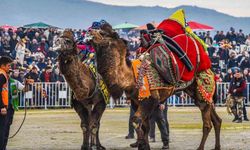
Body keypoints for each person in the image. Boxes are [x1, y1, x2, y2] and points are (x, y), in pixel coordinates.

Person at [3, 77, 30, 150]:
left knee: (7, 127)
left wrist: (26, 84)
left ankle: (3, 146)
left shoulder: (14, 82)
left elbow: (25, 89)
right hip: (2, 107)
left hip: (10, 108)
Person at [0, 56, 13, 149]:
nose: (10, 68)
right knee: (2, 131)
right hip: (2, 107)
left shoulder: (3, 73)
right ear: (3, 65)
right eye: (8, 65)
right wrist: (2, 106)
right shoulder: (2, 75)